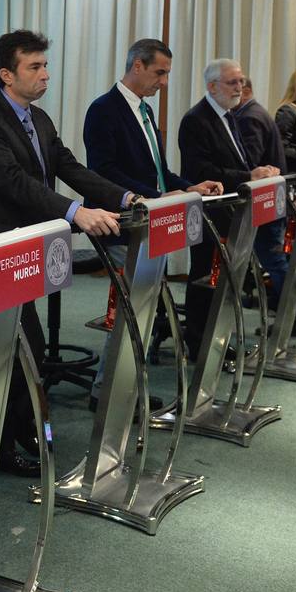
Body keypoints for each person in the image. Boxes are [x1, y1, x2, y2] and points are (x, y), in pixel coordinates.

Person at [0, 29, 138, 475]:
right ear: (6, 74)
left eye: (45, 65)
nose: (45, 74)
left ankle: (19, 428)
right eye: (34, 67)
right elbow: (12, 182)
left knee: (26, 348)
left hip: (30, 246)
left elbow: (69, 167)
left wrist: (124, 198)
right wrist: (75, 213)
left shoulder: (39, 119)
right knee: (9, 349)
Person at [82, 37, 222, 400]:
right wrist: (159, 196)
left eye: (167, 74)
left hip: (152, 224)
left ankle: (119, 387)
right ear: (137, 66)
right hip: (119, 225)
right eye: (159, 72)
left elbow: (159, 173)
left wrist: (191, 186)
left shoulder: (144, 112)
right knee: (134, 309)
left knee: (140, 311)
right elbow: (103, 172)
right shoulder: (104, 110)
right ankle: (109, 391)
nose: (164, 81)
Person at [177, 59, 281, 360]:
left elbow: (238, 161)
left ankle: (218, 342)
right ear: (212, 86)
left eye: (241, 81)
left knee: (224, 283)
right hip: (210, 213)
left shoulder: (229, 115)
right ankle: (199, 346)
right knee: (204, 282)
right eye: (233, 82)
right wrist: (248, 177)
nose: (240, 87)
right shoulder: (196, 119)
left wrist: (258, 171)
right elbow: (201, 170)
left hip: (232, 212)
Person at [233, 76, 296, 334]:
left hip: (264, 200)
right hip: (272, 198)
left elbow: (252, 161)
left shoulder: (249, 117)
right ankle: (293, 320)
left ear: (245, 90)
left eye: (236, 88)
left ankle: (292, 321)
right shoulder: (257, 112)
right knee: (276, 259)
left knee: (273, 259)